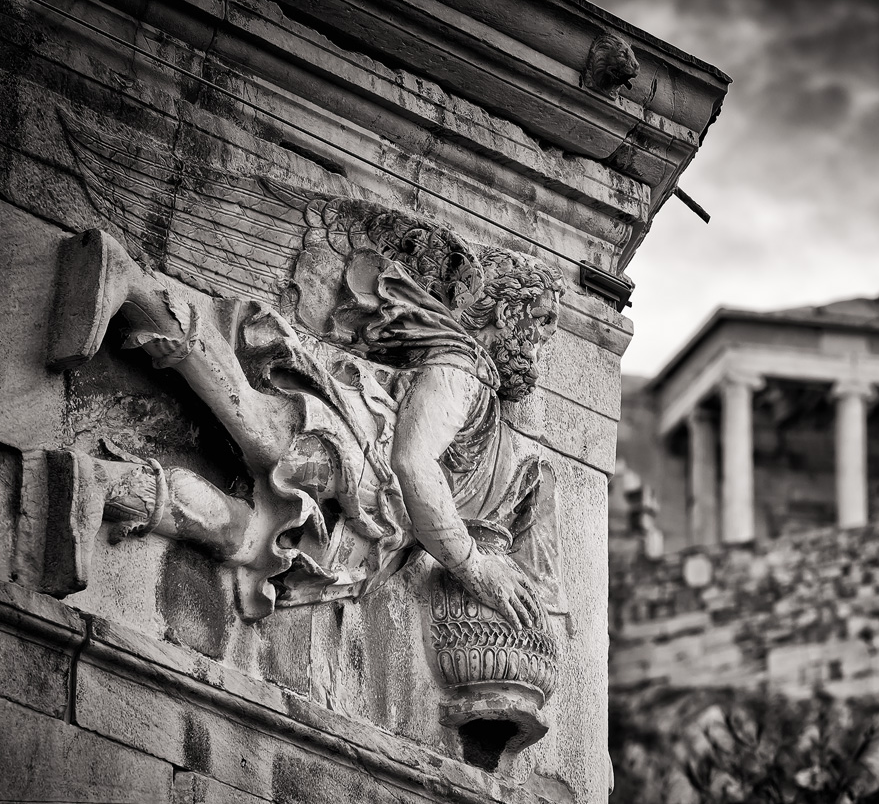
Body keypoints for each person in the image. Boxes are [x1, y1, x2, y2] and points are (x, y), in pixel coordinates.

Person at [50, 226, 564, 627]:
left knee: (243, 536)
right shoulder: (462, 369)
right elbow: (412, 460)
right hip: (354, 454)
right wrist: (472, 566)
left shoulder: (482, 393)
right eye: (541, 323)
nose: (542, 347)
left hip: (368, 520)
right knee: (259, 433)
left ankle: (101, 486)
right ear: (504, 310)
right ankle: (131, 285)